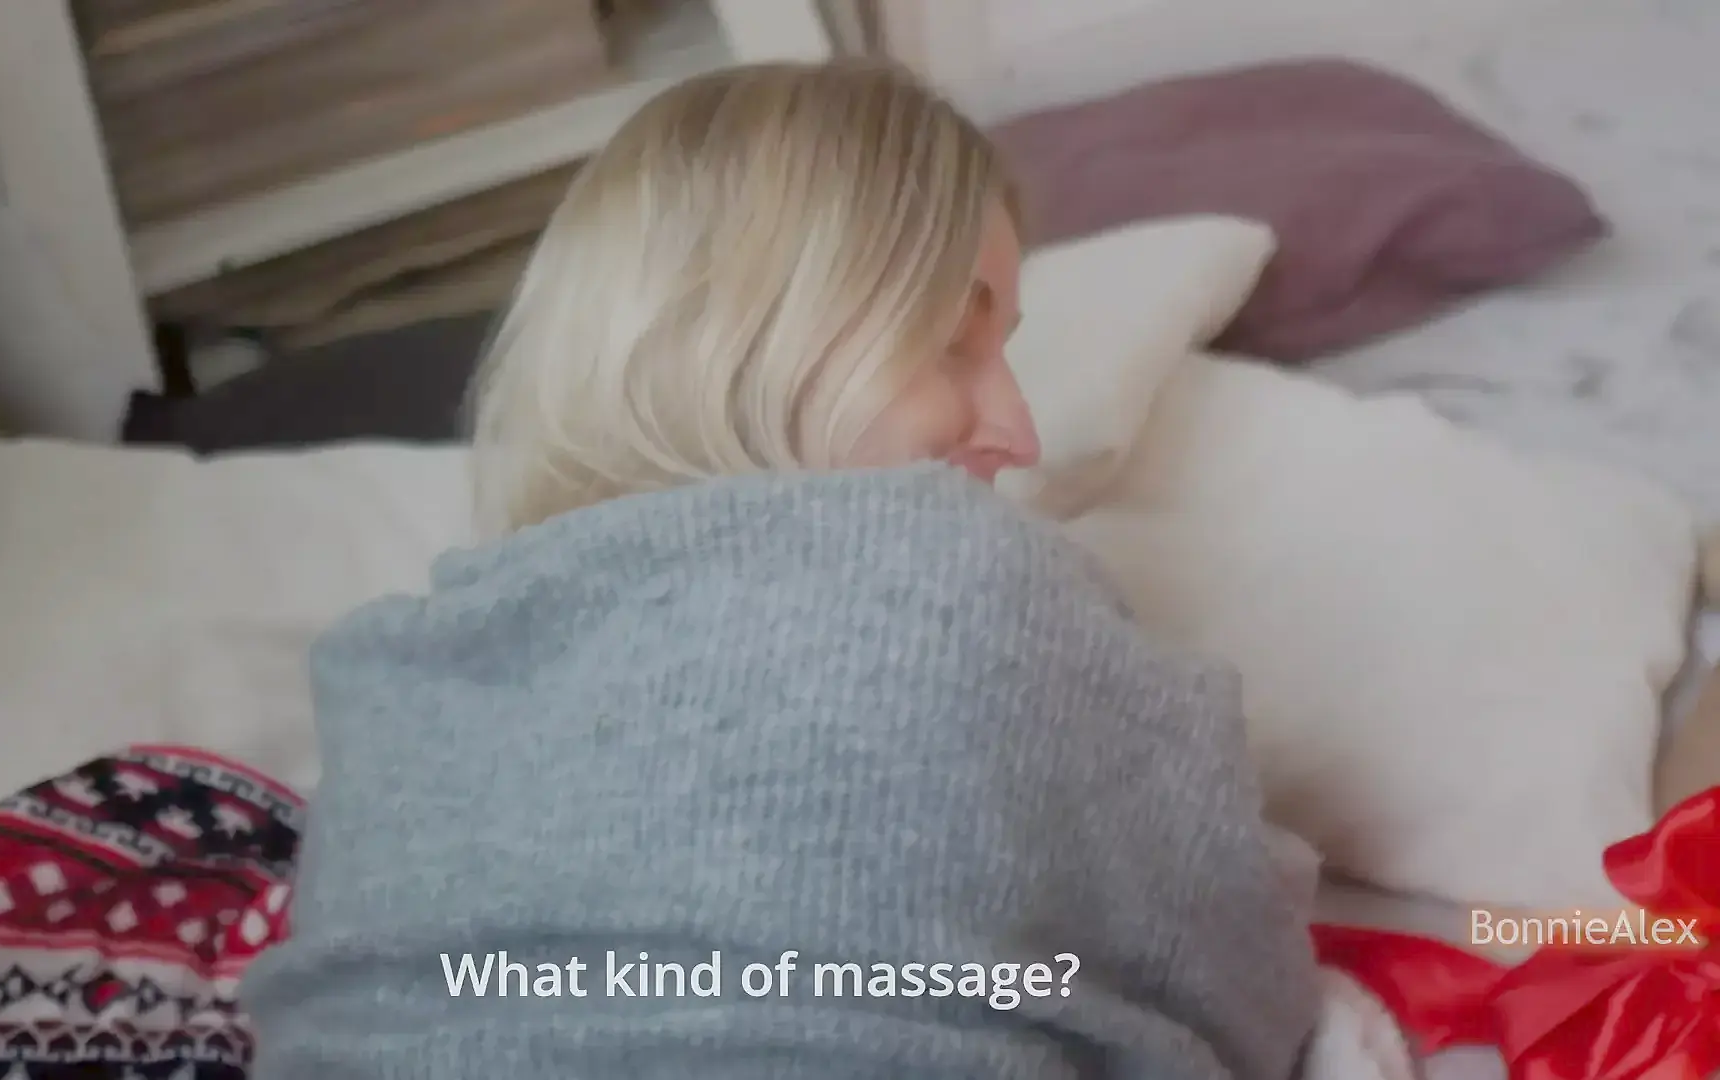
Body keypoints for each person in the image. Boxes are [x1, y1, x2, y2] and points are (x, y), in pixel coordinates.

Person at [241, 60, 1321, 1079]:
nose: (1019, 432)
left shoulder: (392, 671)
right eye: (953, 345)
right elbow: (1252, 991)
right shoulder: (959, 577)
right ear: (752, 336)